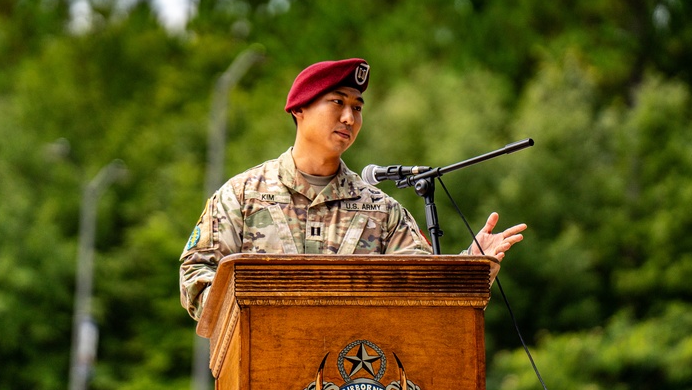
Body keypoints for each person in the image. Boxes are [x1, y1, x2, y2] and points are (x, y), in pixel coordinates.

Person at [179, 58, 526, 320]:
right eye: (337, 102)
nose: (349, 117)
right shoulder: (242, 196)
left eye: (357, 108)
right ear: (299, 108)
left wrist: (473, 264)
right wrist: (256, 318)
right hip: (260, 373)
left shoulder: (381, 210)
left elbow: (424, 294)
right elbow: (196, 276)